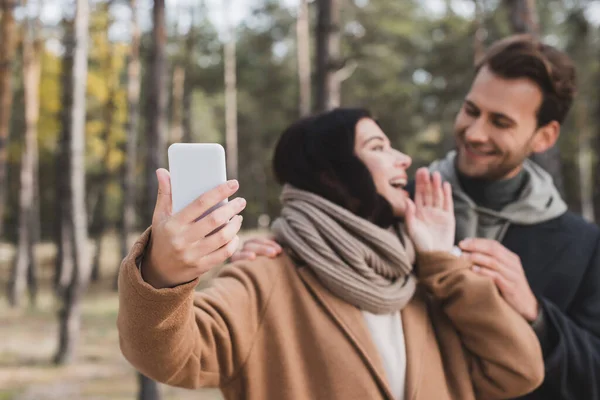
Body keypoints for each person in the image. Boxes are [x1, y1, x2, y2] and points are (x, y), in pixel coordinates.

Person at [233, 35, 600, 400]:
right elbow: (313, 261)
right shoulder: (390, 203)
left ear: (545, 137)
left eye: (500, 122)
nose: (474, 133)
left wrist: (537, 315)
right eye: (472, 110)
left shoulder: (585, 246)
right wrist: (270, 255)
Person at [117, 108, 544, 400]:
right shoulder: (266, 276)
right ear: (332, 174)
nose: (403, 159)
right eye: (378, 147)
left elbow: (520, 370)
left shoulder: (429, 279)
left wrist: (445, 267)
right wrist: (162, 275)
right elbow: (170, 357)